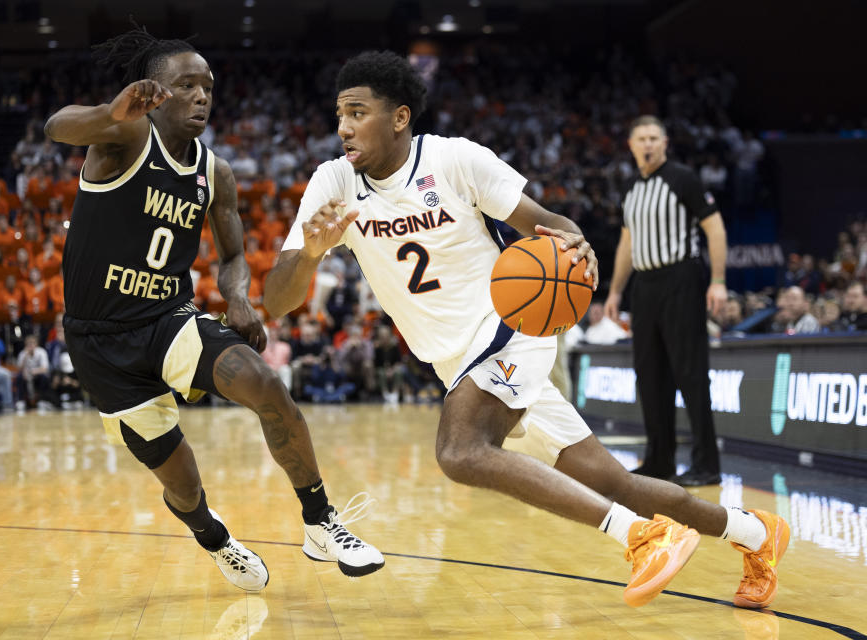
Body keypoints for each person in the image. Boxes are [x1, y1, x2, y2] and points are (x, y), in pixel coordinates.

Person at [264, 51, 788, 609]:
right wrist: (312, 255)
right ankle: (756, 533)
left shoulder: (456, 161)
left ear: (398, 117)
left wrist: (574, 241)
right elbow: (278, 301)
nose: (342, 127)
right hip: (453, 361)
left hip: (511, 323)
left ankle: (643, 537)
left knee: (460, 450)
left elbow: (551, 225)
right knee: (614, 482)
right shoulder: (333, 183)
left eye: (356, 112)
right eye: (338, 114)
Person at [43, 26, 382, 591]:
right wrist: (111, 109)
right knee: (181, 484)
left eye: (208, 86)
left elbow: (231, 256)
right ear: (157, 91)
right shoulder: (122, 138)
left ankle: (321, 521)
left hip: (168, 320)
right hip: (99, 343)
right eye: (187, 85)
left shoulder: (215, 173)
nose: (202, 95)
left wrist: (240, 297)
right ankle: (213, 537)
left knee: (265, 385)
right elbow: (58, 127)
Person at [603, 115, 727, 487]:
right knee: (649, 374)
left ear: (665, 142)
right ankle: (659, 461)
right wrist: (615, 290)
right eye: (641, 137)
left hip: (681, 279)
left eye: (654, 137)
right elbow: (627, 242)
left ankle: (707, 464)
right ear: (630, 144)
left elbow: (715, 227)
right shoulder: (630, 188)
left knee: (690, 372)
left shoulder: (683, 179)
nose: (648, 144)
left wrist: (718, 281)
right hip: (646, 286)